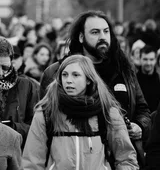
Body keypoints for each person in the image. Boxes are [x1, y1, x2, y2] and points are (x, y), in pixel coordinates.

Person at [40, 10, 151, 166]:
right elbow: (42, 126)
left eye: (106, 32)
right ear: (81, 37)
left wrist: (140, 126)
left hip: (122, 159)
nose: (103, 37)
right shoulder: (57, 73)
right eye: (95, 32)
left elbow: (143, 110)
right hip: (75, 161)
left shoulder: (124, 70)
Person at [22, 55, 138, 170]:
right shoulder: (46, 112)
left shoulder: (107, 112)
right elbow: (32, 162)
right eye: (64, 75)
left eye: (76, 75)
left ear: (88, 79)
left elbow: (126, 158)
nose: (68, 80)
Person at [137, 45, 160, 111]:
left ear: (155, 60)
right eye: (145, 59)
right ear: (140, 59)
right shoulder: (133, 81)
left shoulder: (159, 80)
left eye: (151, 59)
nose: (148, 63)